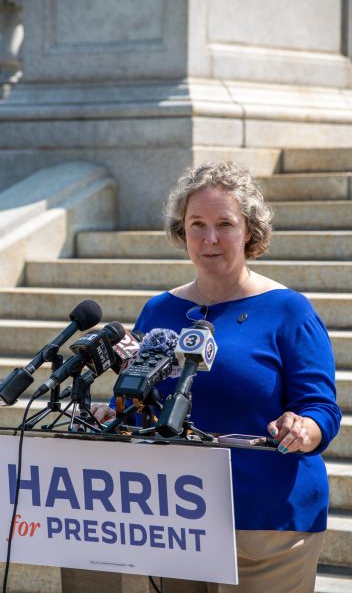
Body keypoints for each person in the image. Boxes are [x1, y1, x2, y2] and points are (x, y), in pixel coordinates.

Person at [93, 161, 342, 593]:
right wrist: (114, 416)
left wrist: (305, 427)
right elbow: (146, 407)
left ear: (249, 230)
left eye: (224, 223)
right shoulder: (158, 311)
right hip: (177, 519)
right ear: (181, 231)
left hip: (267, 524)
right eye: (197, 224)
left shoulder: (289, 311)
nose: (210, 239)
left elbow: (321, 408)